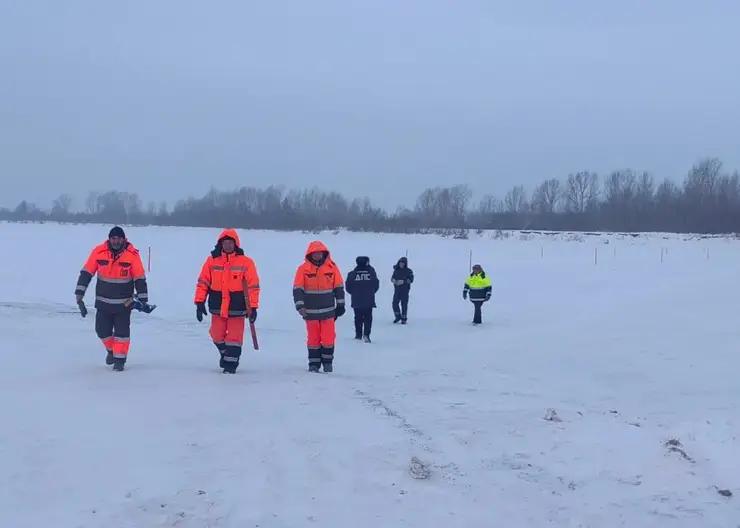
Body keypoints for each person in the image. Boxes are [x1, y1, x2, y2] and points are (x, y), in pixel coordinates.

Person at [75, 226, 150, 371]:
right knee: (102, 331)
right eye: (113, 238)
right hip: (103, 303)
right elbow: (86, 273)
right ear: (109, 239)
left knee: (122, 335)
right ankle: (111, 351)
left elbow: (139, 278)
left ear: (123, 239)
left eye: (118, 238)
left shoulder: (132, 255)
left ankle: (120, 362)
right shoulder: (98, 252)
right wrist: (80, 293)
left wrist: (143, 299)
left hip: (124, 304)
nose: (116, 241)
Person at [194, 229, 260, 374]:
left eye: (231, 243)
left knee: (234, 338)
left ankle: (230, 366)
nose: (228, 245)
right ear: (221, 244)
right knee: (216, 334)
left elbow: (253, 286)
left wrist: (253, 307)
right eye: (225, 243)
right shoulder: (212, 261)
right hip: (217, 306)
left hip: (238, 307)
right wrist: (199, 302)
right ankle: (226, 355)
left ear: (235, 244)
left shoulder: (246, 262)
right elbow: (203, 282)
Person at [293, 241, 345, 372]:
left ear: (324, 253)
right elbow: (297, 289)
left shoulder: (332, 268)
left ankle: (327, 363)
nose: (317, 256)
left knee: (328, 338)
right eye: (315, 253)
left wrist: (340, 305)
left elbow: (338, 287)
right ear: (310, 254)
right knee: (313, 339)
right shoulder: (303, 269)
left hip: (328, 311)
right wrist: (300, 307)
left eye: (319, 253)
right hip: (310, 312)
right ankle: (314, 364)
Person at [345, 256, 379, 343]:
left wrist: (354, 293)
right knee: (368, 318)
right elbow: (376, 284)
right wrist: (371, 292)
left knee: (358, 318)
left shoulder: (352, 274)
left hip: (356, 300)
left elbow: (348, 287)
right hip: (369, 299)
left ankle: (358, 334)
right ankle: (366, 334)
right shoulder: (371, 273)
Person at [391, 256, 414, 324]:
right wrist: (393, 280)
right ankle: (397, 316)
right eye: (400, 263)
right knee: (394, 303)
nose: (401, 264)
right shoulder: (396, 270)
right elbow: (392, 277)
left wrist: (403, 281)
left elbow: (411, 280)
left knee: (404, 304)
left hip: (405, 290)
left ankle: (404, 318)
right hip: (397, 290)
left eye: (403, 263)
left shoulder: (409, 271)